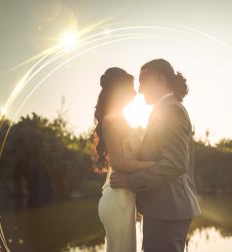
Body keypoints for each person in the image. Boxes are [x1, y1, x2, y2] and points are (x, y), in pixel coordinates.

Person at [110, 59, 201, 252]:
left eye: (143, 80)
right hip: (164, 208)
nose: (139, 88)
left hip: (169, 208)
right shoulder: (163, 109)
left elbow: (175, 164)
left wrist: (130, 181)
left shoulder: (171, 110)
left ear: (160, 80)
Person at [94, 67, 155, 252]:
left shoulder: (120, 118)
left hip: (124, 199)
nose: (135, 92)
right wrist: (153, 166)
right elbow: (118, 162)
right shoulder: (113, 120)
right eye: (131, 87)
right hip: (118, 200)